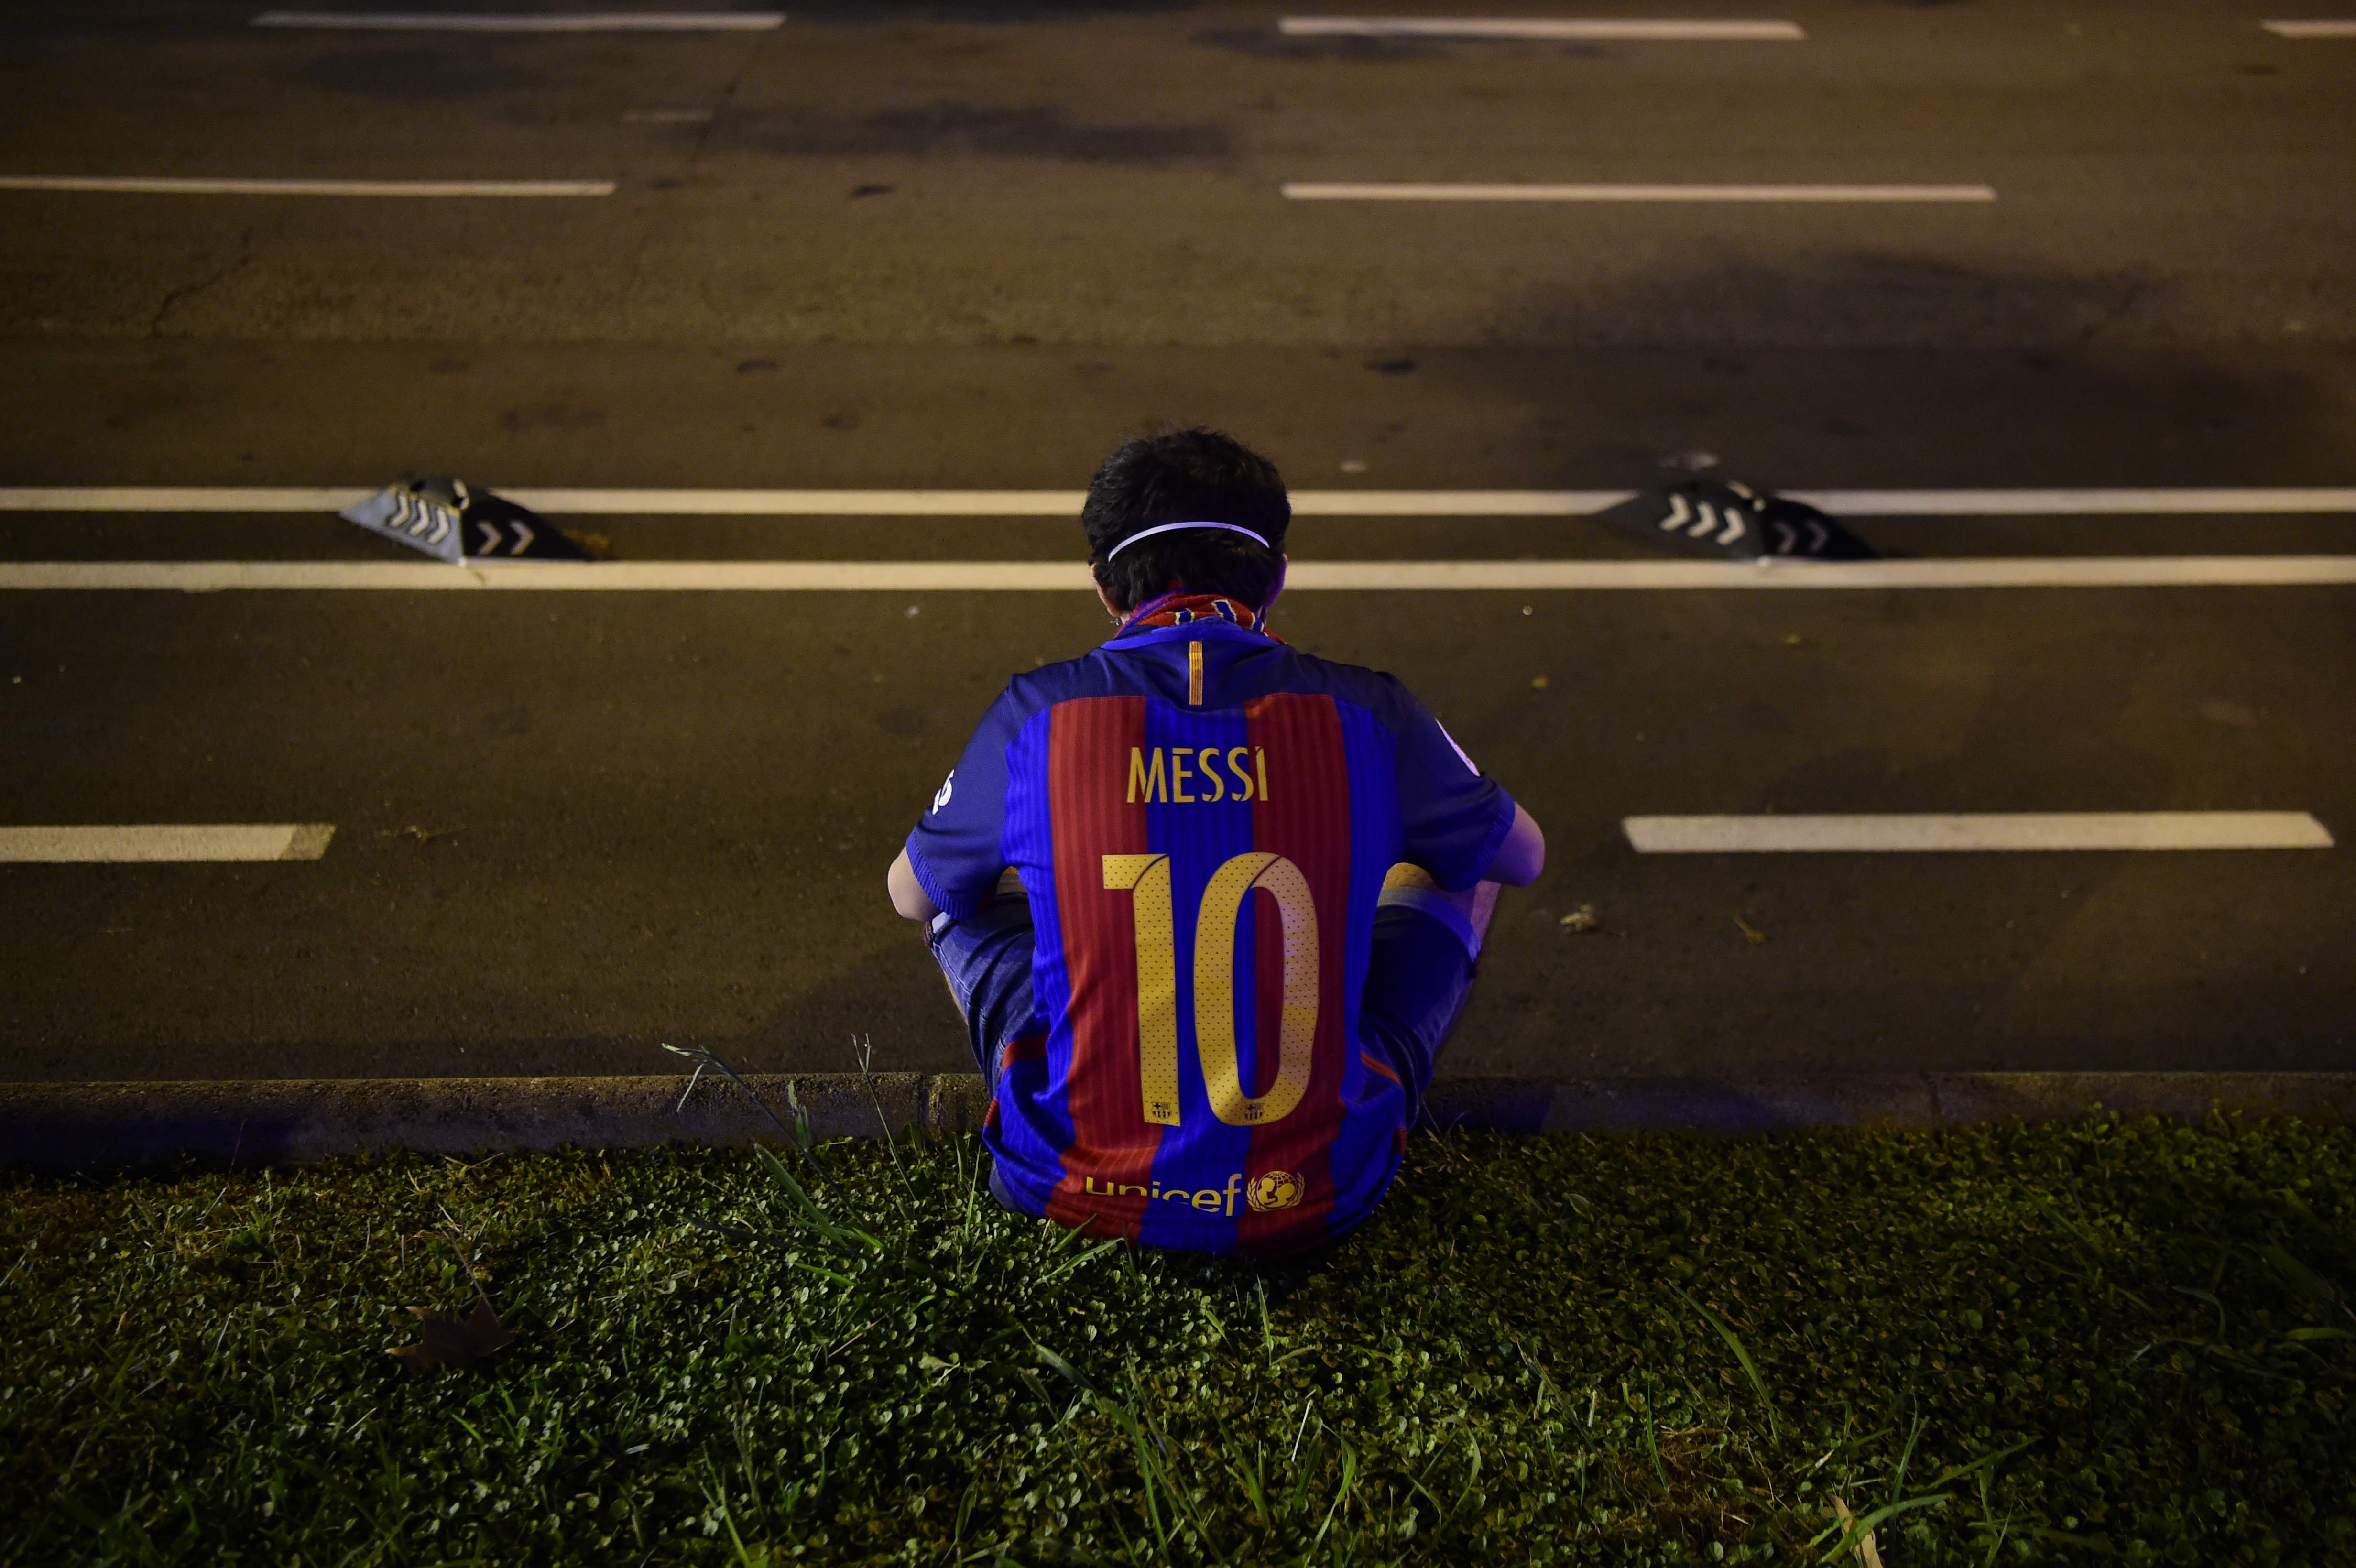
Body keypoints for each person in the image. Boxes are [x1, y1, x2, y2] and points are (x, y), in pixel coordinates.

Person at [885, 428, 1544, 1256]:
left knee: (957, 896)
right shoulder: (1371, 713)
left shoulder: (1036, 716)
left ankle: (1082, 1081)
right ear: (1276, 576)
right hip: (1317, 1192)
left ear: (1103, 588)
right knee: (1467, 858)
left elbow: (909, 891)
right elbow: (1525, 856)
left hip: (1073, 1186)